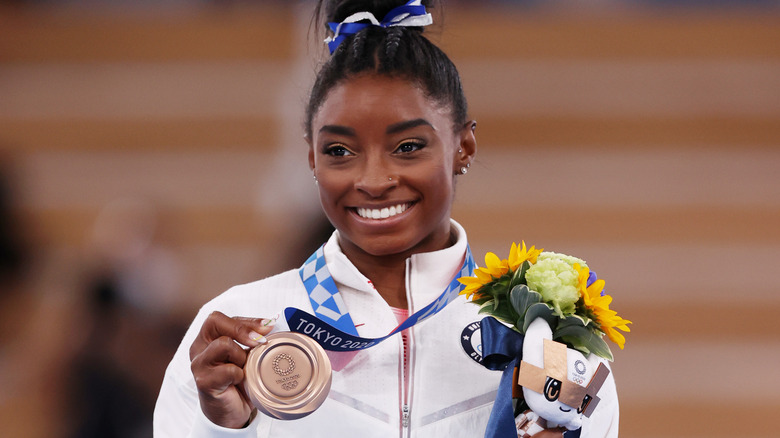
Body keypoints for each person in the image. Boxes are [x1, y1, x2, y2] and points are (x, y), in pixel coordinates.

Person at [154, 1, 619, 437]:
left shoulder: (548, 337)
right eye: (339, 151)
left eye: (408, 147)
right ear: (312, 160)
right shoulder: (247, 330)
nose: (373, 180)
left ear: (464, 146)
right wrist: (221, 427)